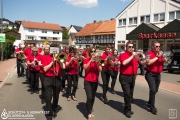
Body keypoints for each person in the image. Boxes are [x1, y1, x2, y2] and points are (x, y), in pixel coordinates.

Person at [118, 41, 146, 118]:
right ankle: (128, 110)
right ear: (126, 48)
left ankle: (127, 108)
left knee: (130, 95)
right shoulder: (123, 55)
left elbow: (141, 62)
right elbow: (124, 63)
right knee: (127, 94)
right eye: (129, 47)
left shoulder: (135, 56)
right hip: (124, 77)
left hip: (133, 77)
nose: (131, 48)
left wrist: (146, 61)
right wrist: (132, 56)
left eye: (132, 47)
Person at [145, 41, 169, 115]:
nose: (158, 48)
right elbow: (148, 62)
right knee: (153, 89)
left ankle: (149, 101)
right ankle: (152, 107)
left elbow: (168, 62)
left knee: (155, 90)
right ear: (153, 47)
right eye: (156, 46)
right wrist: (157, 56)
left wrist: (165, 58)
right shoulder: (148, 53)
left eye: (159, 46)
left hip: (158, 75)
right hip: (150, 74)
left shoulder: (161, 54)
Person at [41, 45, 62, 120]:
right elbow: (45, 69)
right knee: (48, 96)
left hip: (57, 78)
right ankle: (49, 113)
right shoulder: (44, 57)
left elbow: (63, 67)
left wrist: (59, 60)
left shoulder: (60, 57)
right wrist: (52, 61)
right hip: (48, 78)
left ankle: (54, 108)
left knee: (56, 97)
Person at [83, 47, 102, 120]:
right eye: (92, 51)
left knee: (93, 97)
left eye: (94, 51)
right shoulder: (86, 59)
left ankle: (90, 109)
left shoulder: (97, 60)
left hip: (95, 81)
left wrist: (98, 62)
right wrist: (90, 60)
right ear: (89, 52)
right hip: (87, 80)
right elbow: (85, 68)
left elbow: (100, 69)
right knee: (89, 97)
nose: (93, 52)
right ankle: (88, 113)